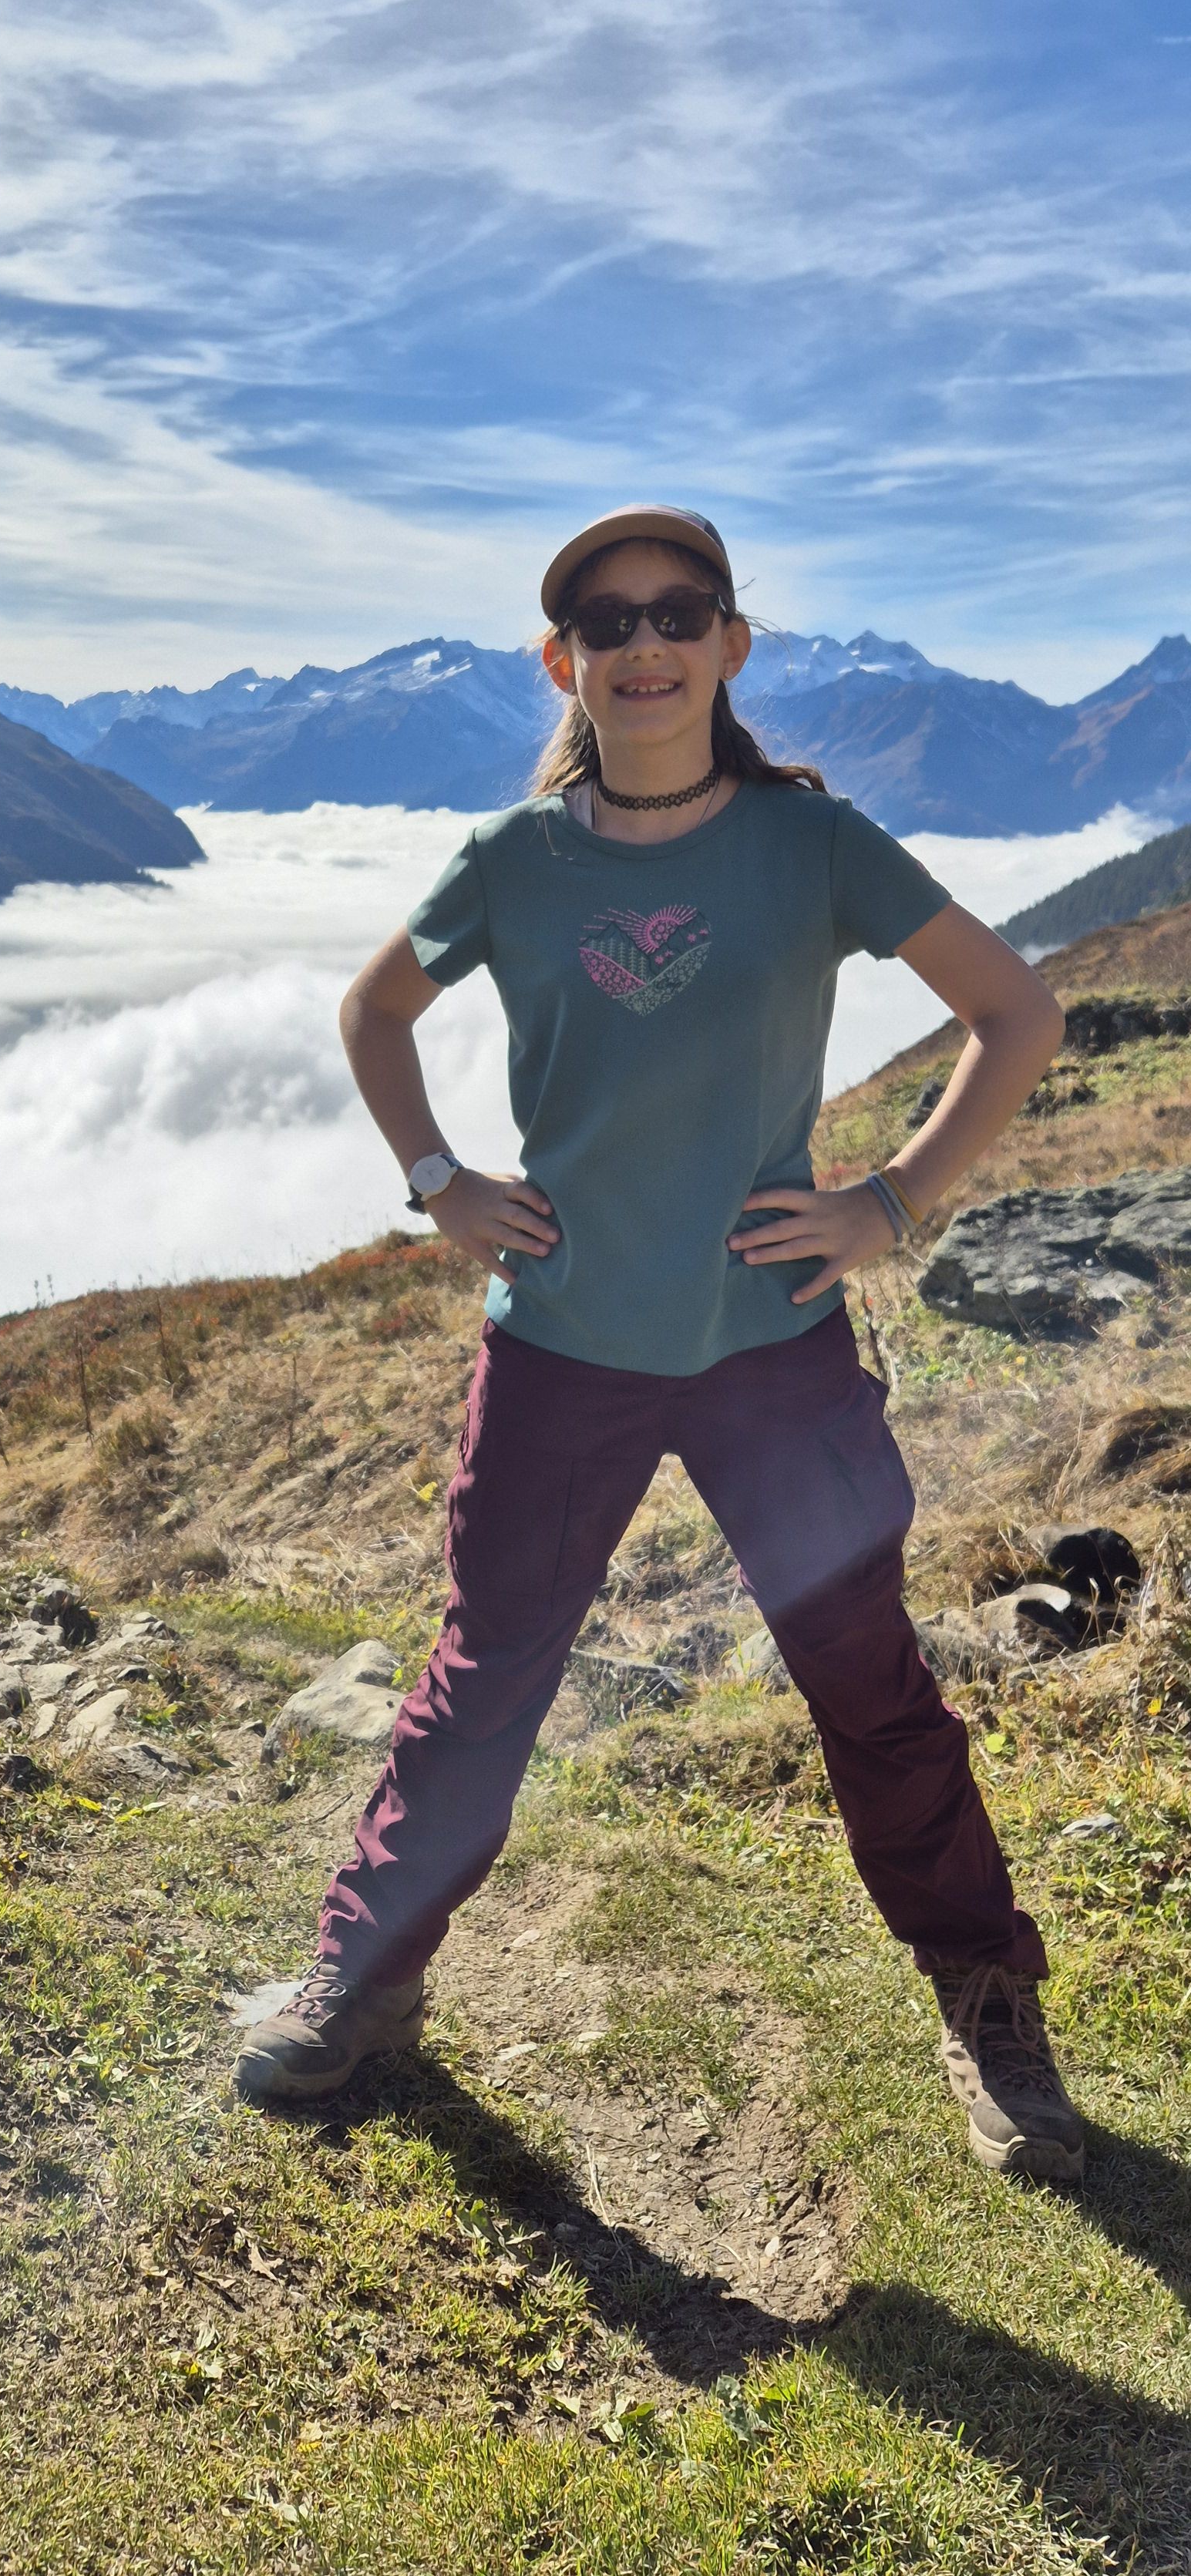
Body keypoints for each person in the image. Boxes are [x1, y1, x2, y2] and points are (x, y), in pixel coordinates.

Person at [232, 504, 1083, 2187]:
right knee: (486, 1678)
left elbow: (1020, 1011)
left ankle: (988, 1999)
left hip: (776, 1345)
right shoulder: (514, 859)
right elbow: (375, 1008)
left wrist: (891, 1202)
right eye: (607, 621)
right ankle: (365, 1980)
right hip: (564, 1344)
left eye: (680, 611)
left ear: (730, 644)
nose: (645, 642)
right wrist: (437, 1180)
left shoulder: (813, 845)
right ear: (563, 661)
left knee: (867, 1678)